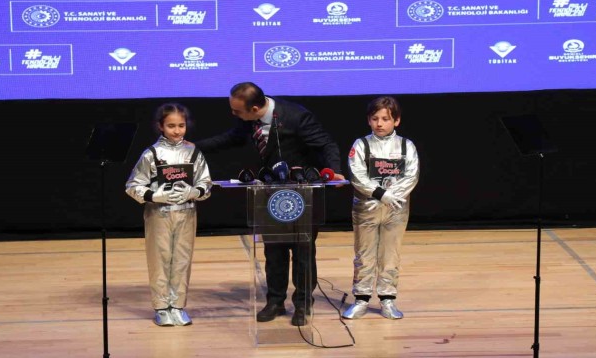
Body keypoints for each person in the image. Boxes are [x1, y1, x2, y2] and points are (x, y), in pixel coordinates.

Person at [196, 82, 344, 326]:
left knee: (303, 252)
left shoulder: (296, 116)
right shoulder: (249, 120)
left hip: (301, 194)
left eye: (237, 111)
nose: (233, 114)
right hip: (270, 193)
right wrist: (194, 147)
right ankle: (275, 301)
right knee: (274, 251)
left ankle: (303, 303)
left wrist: (334, 170)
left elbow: (326, 144)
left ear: (254, 108)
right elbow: (230, 139)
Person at [126, 103, 212, 326]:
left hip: (186, 213)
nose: (177, 130)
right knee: (160, 259)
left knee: (182, 259)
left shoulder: (193, 152)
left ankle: (178, 305)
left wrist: (195, 192)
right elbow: (133, 185)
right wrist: (154, 196)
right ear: (160, 126)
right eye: (171, 126)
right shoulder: (151, 154)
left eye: (181, 125)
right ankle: (161, 307)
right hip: (159, 214)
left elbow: (206, 183)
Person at [341, 96, 419, 320]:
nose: (380, 123)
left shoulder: (406, 146)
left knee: (390, 254)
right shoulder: (361, 144)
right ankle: (361, 299)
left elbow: (412, 175)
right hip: (366, 209)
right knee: (364, 254)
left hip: (396, 209)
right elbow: (357, 174)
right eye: (375, 119)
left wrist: (392, 195)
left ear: (396, 120)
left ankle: (387, 299)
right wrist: (380, 194)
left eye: (385, 119)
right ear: (369, 120)